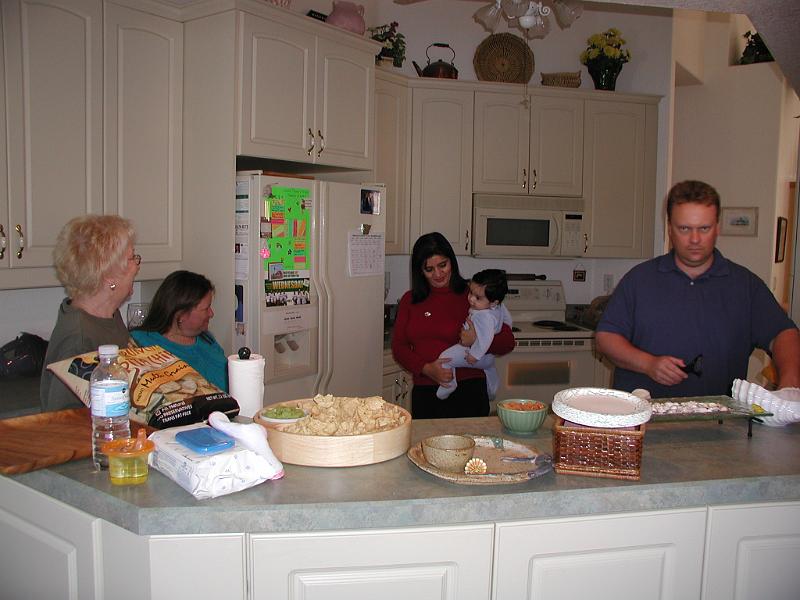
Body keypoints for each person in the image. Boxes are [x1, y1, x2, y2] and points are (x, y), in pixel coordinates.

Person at [596, 180, 800, 398]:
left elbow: (783, 334)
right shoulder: (639, 280)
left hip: (719, 423)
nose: (694, 239)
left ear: (717, 228)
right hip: (643, 419)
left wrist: (790, 386)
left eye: (704, 228)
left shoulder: (745, 285)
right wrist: (649, 364)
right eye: (684, 228)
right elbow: (606, 337)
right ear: (670, 228)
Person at [392, 232, 515, 418]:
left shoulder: (474, 295)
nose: (439, 274)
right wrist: (427, 369)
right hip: (426, 392)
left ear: (452, 262)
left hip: (469, 392)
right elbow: (399, 347)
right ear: (420, 271)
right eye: (429, 269)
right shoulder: (410, 300)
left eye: (443, 265)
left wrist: (477, 340)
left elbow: (508, 342)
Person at [41, 215, 140, 412]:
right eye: (131, 258)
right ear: (108, 276)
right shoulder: (79, 336)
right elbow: (64, 419)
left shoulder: (108, 315)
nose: (137, 265)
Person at [130, 271, 228, 392]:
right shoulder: (142, 344)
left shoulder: (207, 340)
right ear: (181, 315)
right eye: (206, 308)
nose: (211, 314)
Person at [436, 269, 512, 401]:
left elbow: (485, 339)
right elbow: (508, 319)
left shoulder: (483, 316)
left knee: (445, 359)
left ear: (494, 302)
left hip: (474, 353)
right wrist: (505, 326)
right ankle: (492, 387)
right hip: (488, 358)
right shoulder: (498, 307)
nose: (471, 299)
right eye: (471, 292)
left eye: (477, 297)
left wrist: (474, 355)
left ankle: (449, 385)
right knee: (489, 367)